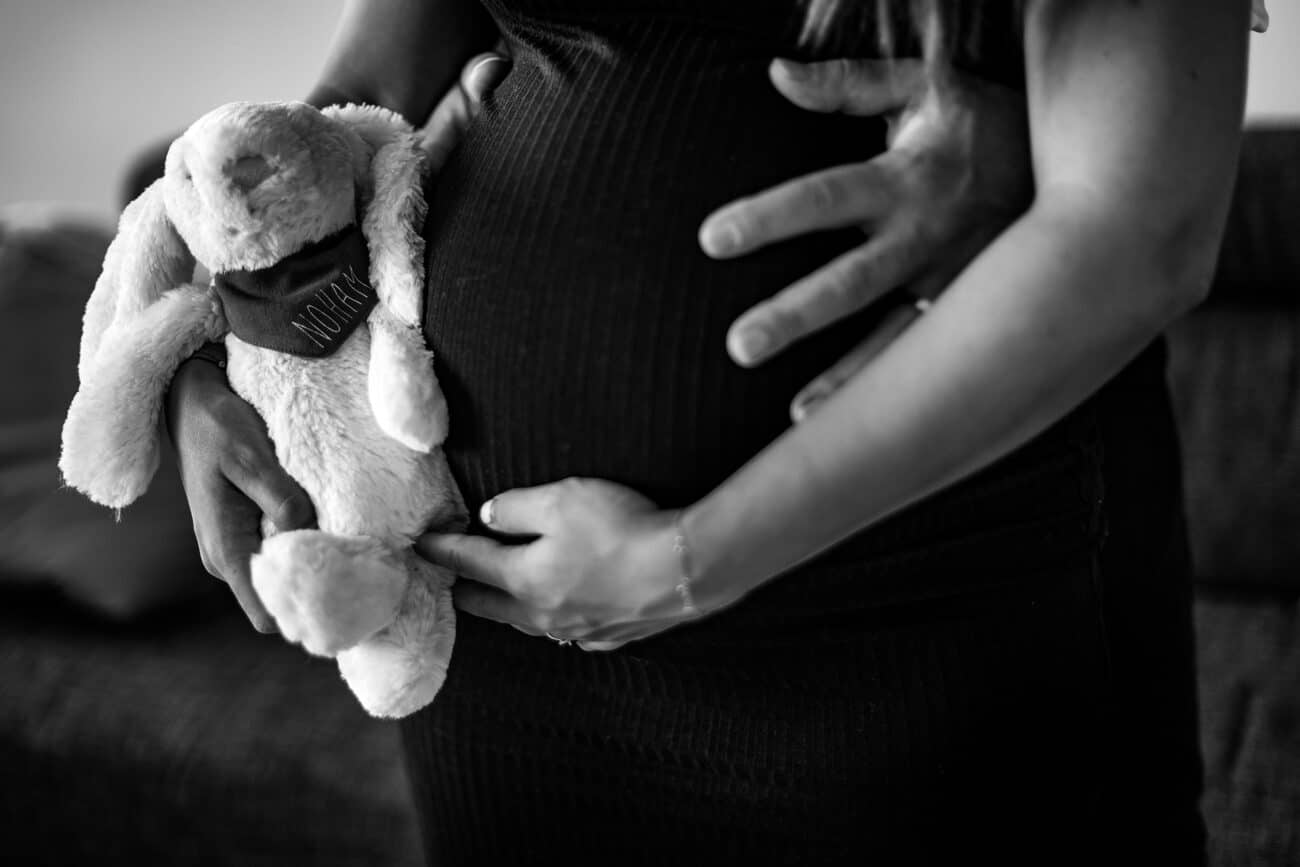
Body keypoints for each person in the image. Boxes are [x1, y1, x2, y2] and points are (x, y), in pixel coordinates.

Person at [162, 0, 1255, 862]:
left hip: (913, 607)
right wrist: (211, 336)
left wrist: (692, 561)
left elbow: (1137, 229)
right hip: (508, 640)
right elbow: (364, 102)